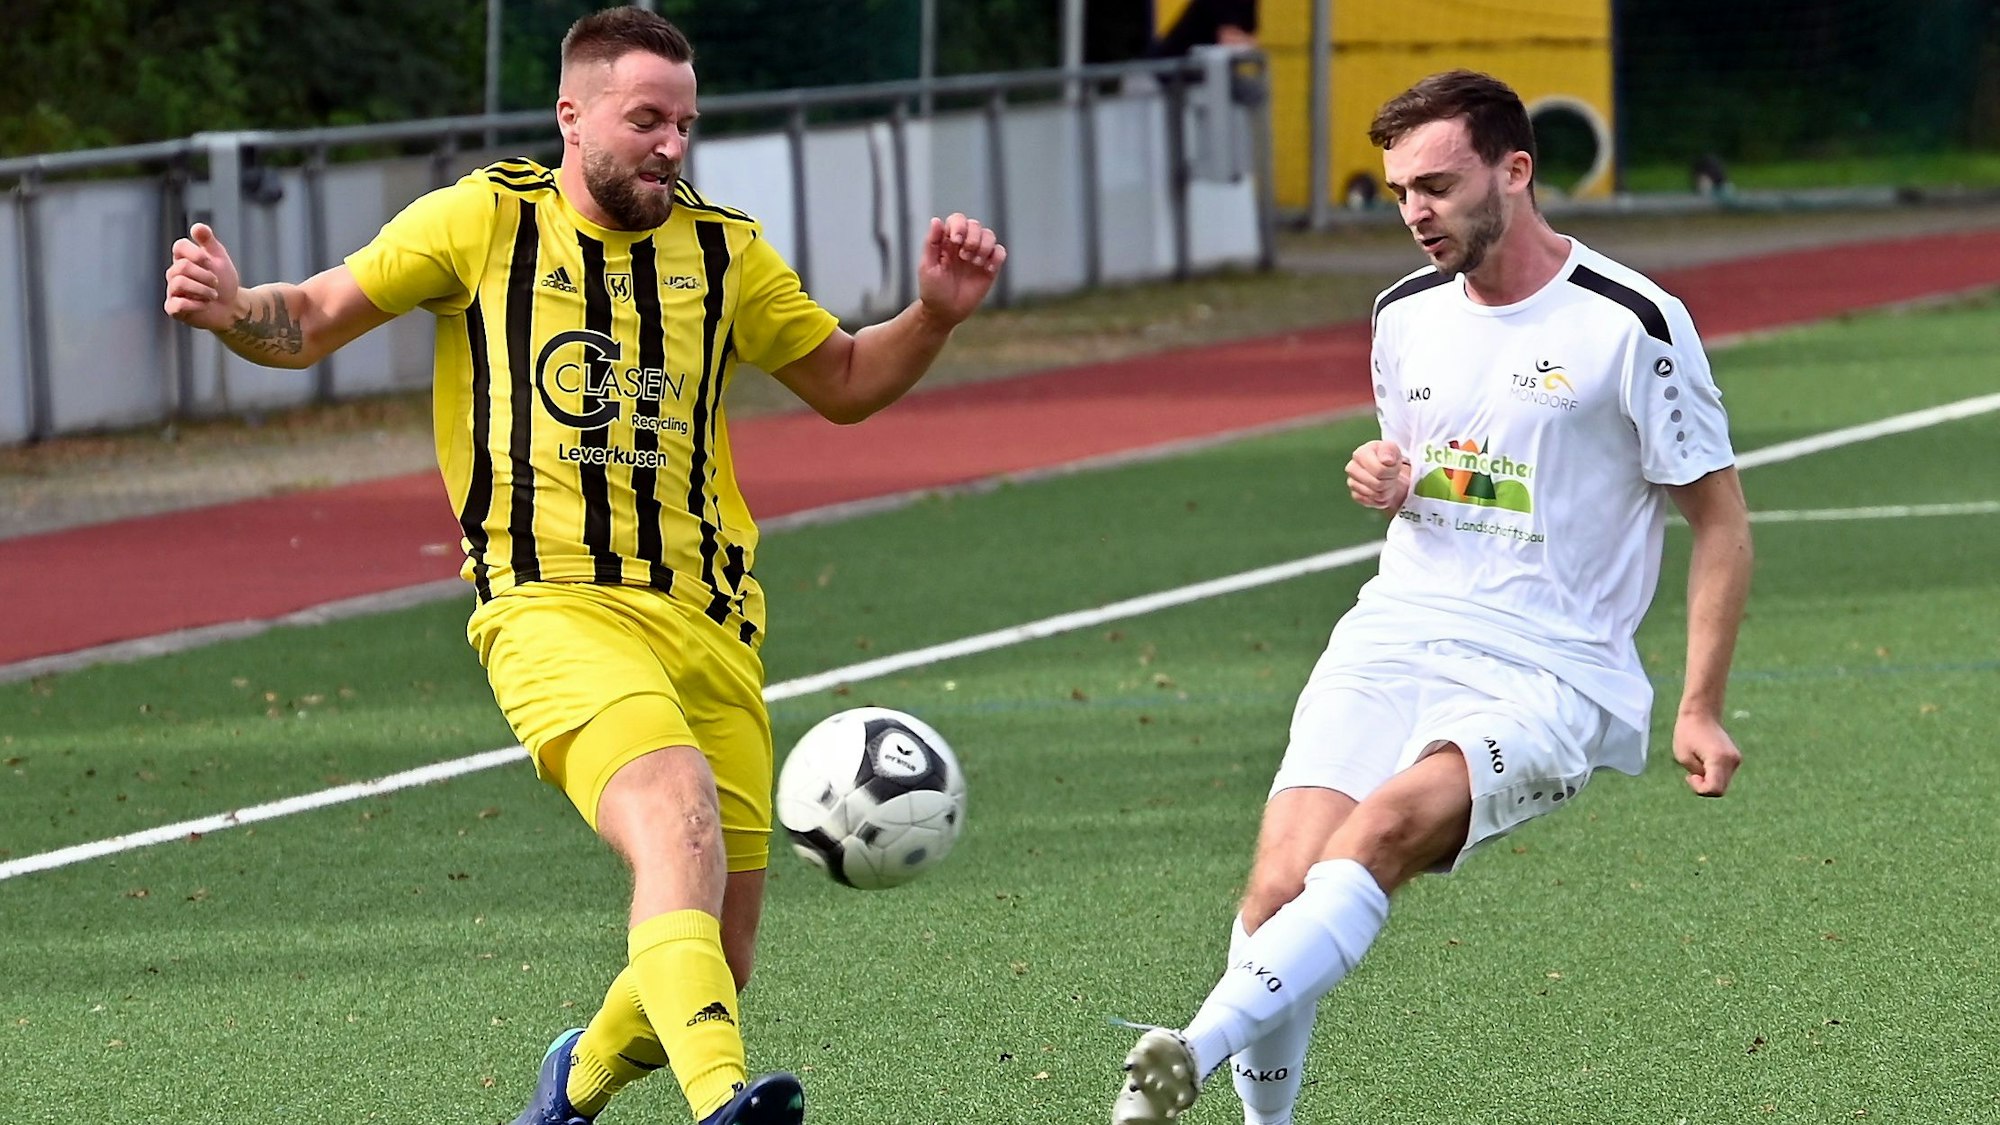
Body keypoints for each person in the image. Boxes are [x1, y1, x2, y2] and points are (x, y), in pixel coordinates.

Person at [163, 8, 1004, 1125]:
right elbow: (311, 316)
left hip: (712, 625)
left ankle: (574, 1086)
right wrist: (235, 313)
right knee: (674, 812)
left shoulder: (723, 250)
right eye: (646, 119)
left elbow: (845, 379)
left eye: (685, 125)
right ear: (573, 114)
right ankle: (725, 1105)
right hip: (551, 608)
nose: (670, 145)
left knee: (719, 949)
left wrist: (934, 318)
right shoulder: (481, 219)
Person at [1110, 69, 1750, 1125]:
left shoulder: (1630, 322)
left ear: (1514, 170)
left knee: (1377, 836)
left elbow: (1718, 519)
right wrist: (1389, 476)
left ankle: (1180, 1058)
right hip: (1398, 630)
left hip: (1550, 671)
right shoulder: (1400, 311)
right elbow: (1437, 462)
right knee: (1276, 890)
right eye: (1398, 189)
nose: (1414, 211)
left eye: (1437, 185)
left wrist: (1695, 703)